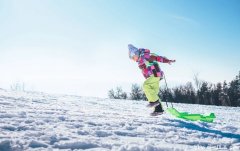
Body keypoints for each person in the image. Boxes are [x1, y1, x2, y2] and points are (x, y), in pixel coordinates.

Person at [128, 44, 175, 116]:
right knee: (153, 92)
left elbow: (157, 57)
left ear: (135, 53)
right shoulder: (140, 61)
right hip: (153, 76)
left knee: (146, 85)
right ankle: (159, 110)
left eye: (133, 57)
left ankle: (154, 102)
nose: (133, 60)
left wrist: (167, 60)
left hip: (155, 74)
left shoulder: (146, 55)